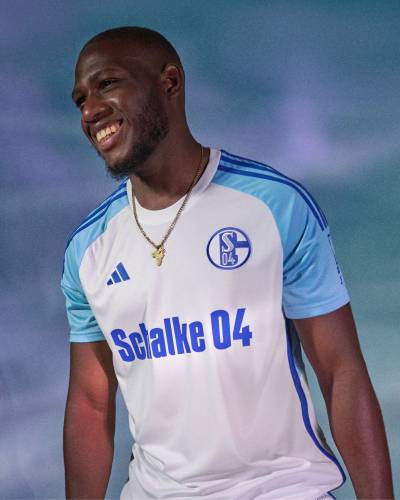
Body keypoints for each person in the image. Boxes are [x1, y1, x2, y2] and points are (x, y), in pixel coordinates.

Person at [62, 26, 393, 500]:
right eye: (80, 100)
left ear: (169, 82)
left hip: (281, 490)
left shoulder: (273, 205)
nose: (90, 110)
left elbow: (341, 371)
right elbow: (91, 403)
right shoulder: (88, 250)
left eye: (107, 84)